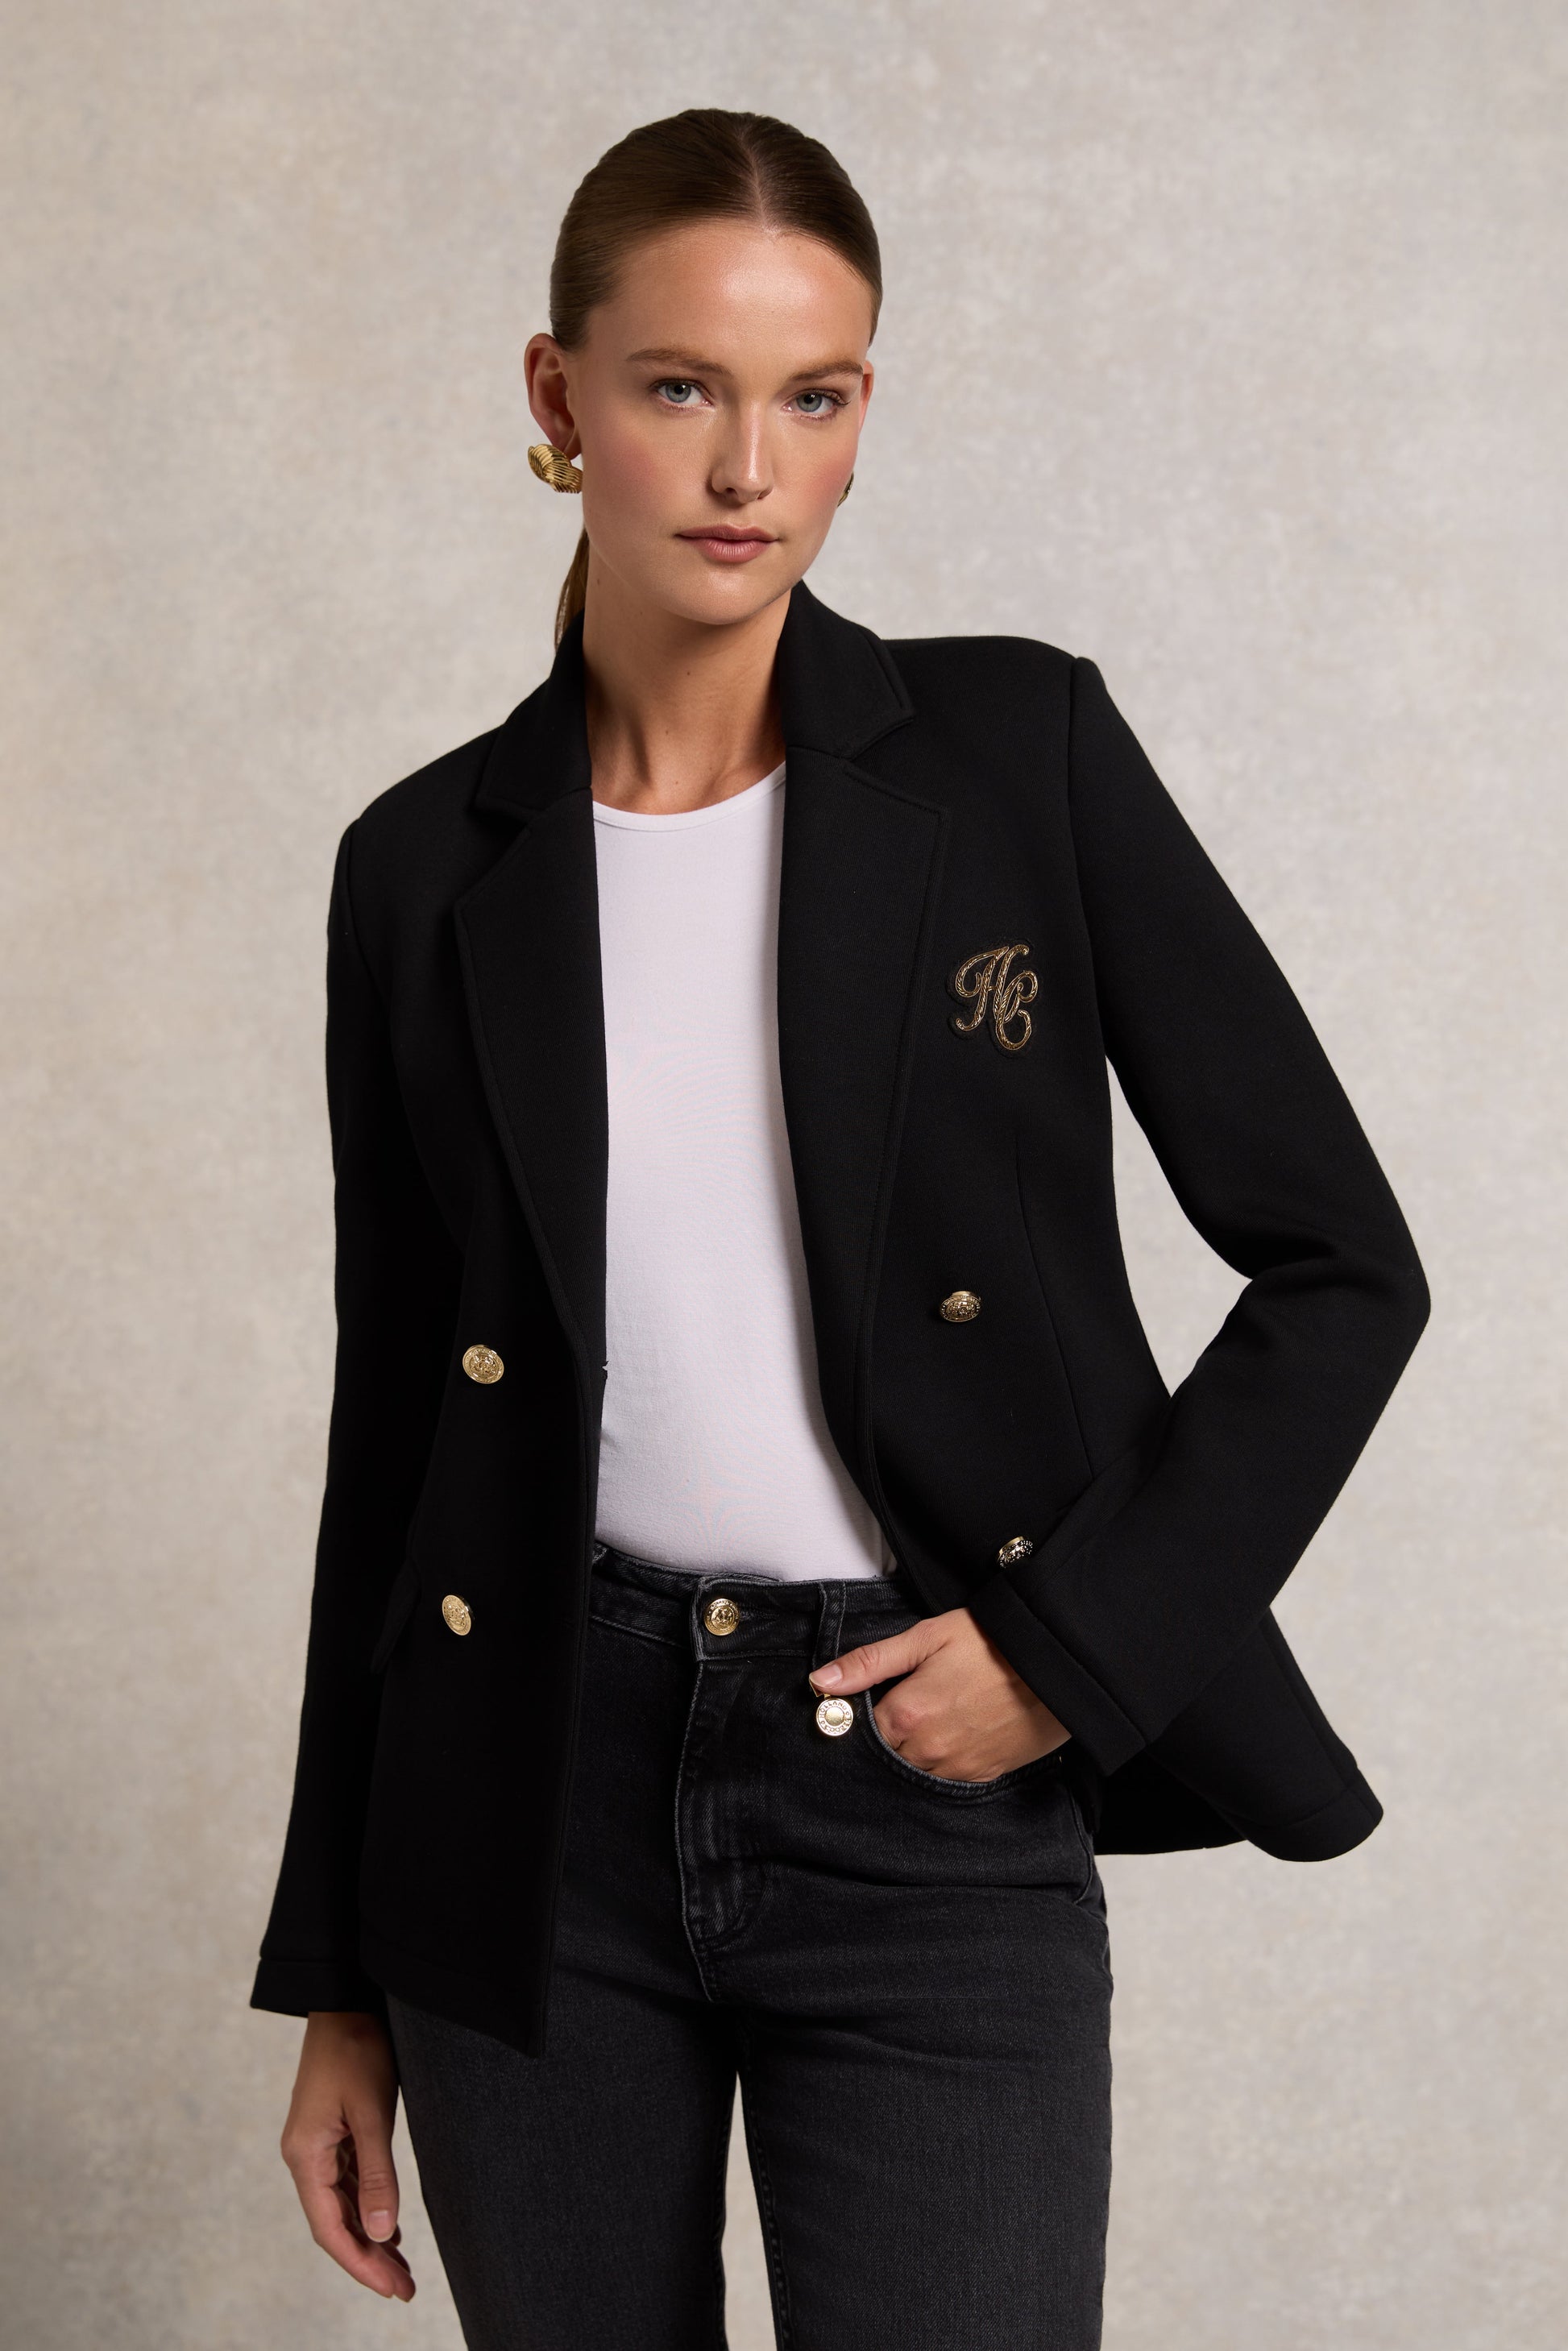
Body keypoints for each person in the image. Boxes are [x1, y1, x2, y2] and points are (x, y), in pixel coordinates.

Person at [252, 108, 1429, 2351]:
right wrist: (342, 1977)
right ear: (556, 397)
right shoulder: (422, 869)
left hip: (920, 1787)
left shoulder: (1013, 751)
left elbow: (1343, 1267)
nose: (745, 467)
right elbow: (395, 1440)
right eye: (677, 386)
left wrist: (1067, 1653)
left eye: (811, 395)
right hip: (527, 1822)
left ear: (863, 408)